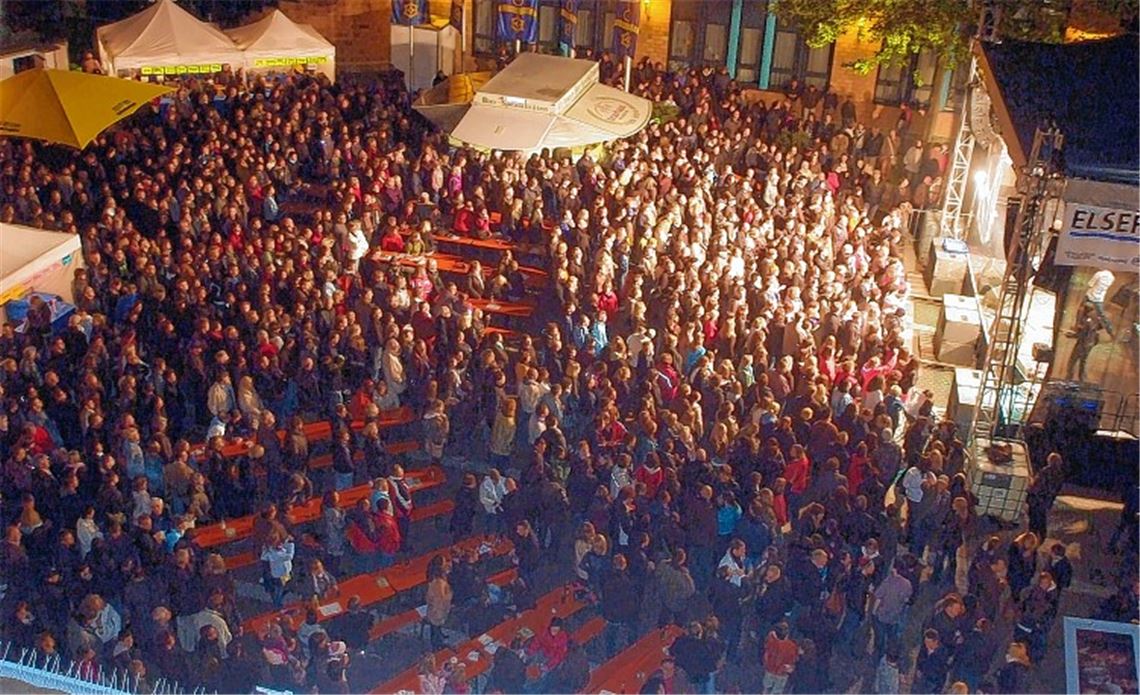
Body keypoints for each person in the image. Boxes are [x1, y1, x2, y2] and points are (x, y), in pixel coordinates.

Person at [761, 621, 798, 694]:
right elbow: (794, 659)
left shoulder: (771, 641)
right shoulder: (792, 646)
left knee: (766, 688)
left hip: (769, 669)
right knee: (777, 691)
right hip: (782, 672)